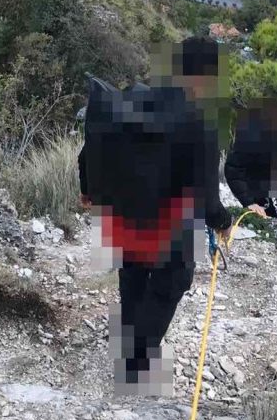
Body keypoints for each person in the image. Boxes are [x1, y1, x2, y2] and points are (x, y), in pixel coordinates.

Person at [78, 38, 232, 391]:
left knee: (132, 276)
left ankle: (129, 348)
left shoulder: (133, 96)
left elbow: (92, 146)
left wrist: (88, 188)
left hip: (124, 217)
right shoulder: (200, 123)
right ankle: (134, 370)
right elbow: (207, 201)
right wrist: (223, 222)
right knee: (167, 288)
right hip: (169, 228)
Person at [223, 97, 277, 220]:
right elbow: (233, 170)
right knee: (264, 219)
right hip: (252, 188)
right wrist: (249, 202)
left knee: (272, 217)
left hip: (265, 185)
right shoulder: (249, 141)